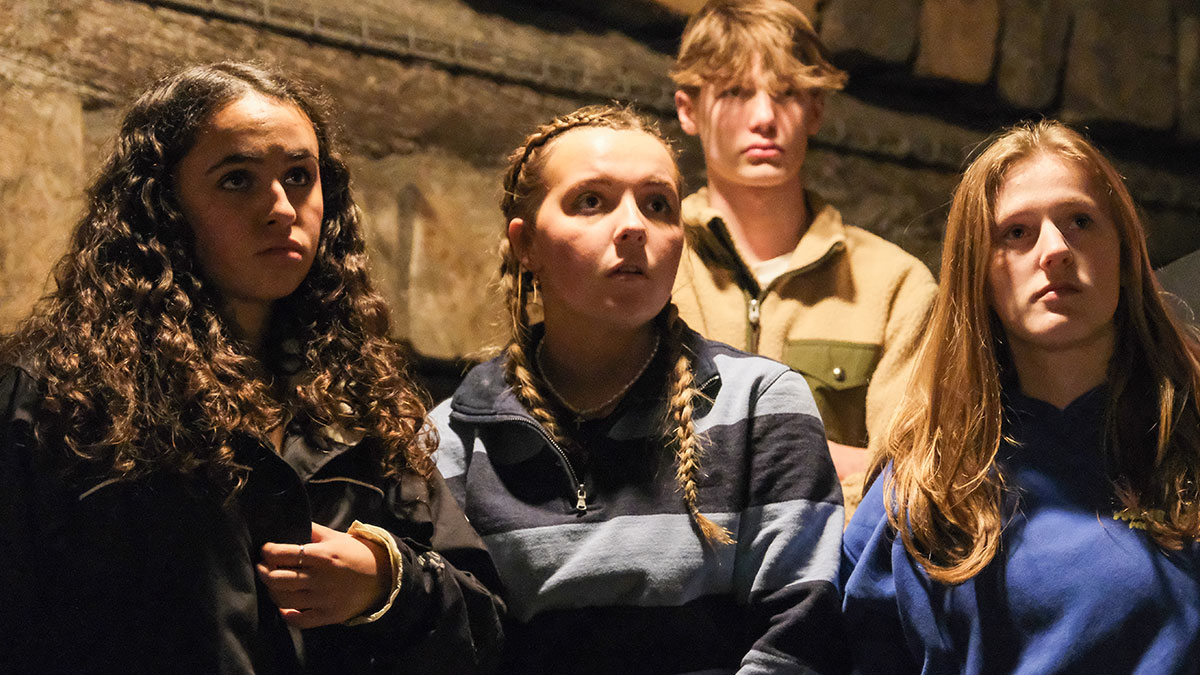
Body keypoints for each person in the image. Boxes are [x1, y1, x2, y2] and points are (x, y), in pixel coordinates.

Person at [0, 62, 504, 674]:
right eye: (237, 179)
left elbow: (482, 625)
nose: (280, 208)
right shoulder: (62, 402)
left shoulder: (361, 400)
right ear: (163, 206)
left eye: (299, 177)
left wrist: (389, 584)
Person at [432, 104, 847, 674]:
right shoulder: (455, 438)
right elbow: (454, 646)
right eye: (592, 201)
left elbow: (802, 634)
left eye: (658, 205)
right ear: (525, 246)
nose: (633, 226)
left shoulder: (758, 405)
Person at [841, 120, 1200, 672]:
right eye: (1016, 232)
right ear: (978, 274)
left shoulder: (1190, 441)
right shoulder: (925, 487)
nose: (1055, 250)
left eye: (1080, 221)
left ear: (1126, 255)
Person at [670, 0, 937, 500]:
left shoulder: (895, 286)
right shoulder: (651, 263)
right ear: (689, 110)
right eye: (735, 92)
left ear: (815, 110)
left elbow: (908, 481)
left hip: (831, 569)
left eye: (787, 93)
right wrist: (820, 458)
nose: (765, 118)